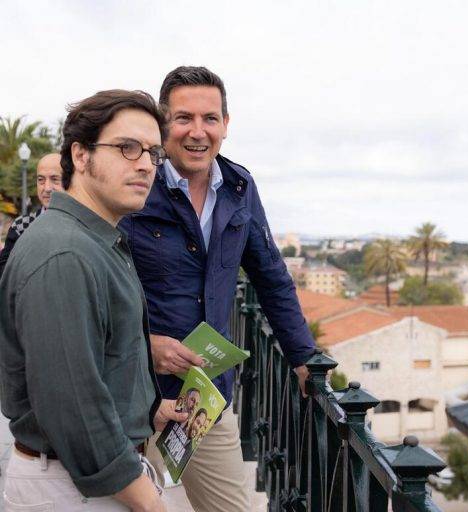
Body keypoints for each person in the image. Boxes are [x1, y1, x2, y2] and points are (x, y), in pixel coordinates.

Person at [120, 66, 316, 511]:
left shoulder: (240, 189)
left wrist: (303, 357)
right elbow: (94, 288)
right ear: (161, 123)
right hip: (129, 390)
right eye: (183, 117)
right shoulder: (133, 185)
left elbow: (270, 275)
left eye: (210, 118)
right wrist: (143, 344)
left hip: (202, 394)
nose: (197, 132)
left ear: (226, 124)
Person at [0, 89, 188, 511]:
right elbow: (73, 408)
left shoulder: (92, 241)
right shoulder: (65, 253)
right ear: (81, 156)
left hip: (87, 481)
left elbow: (97, 362)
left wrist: (146, 411)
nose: (145, 164)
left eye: (154, 154)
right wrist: (152, 502)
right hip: (74, 487)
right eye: (127, 148)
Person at [0, 153, 64, 277]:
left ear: (69, 181)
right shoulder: (21, 227)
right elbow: (4, 274)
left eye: (55, 179)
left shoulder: (82, 225)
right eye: (41, 180)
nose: (47, 188)